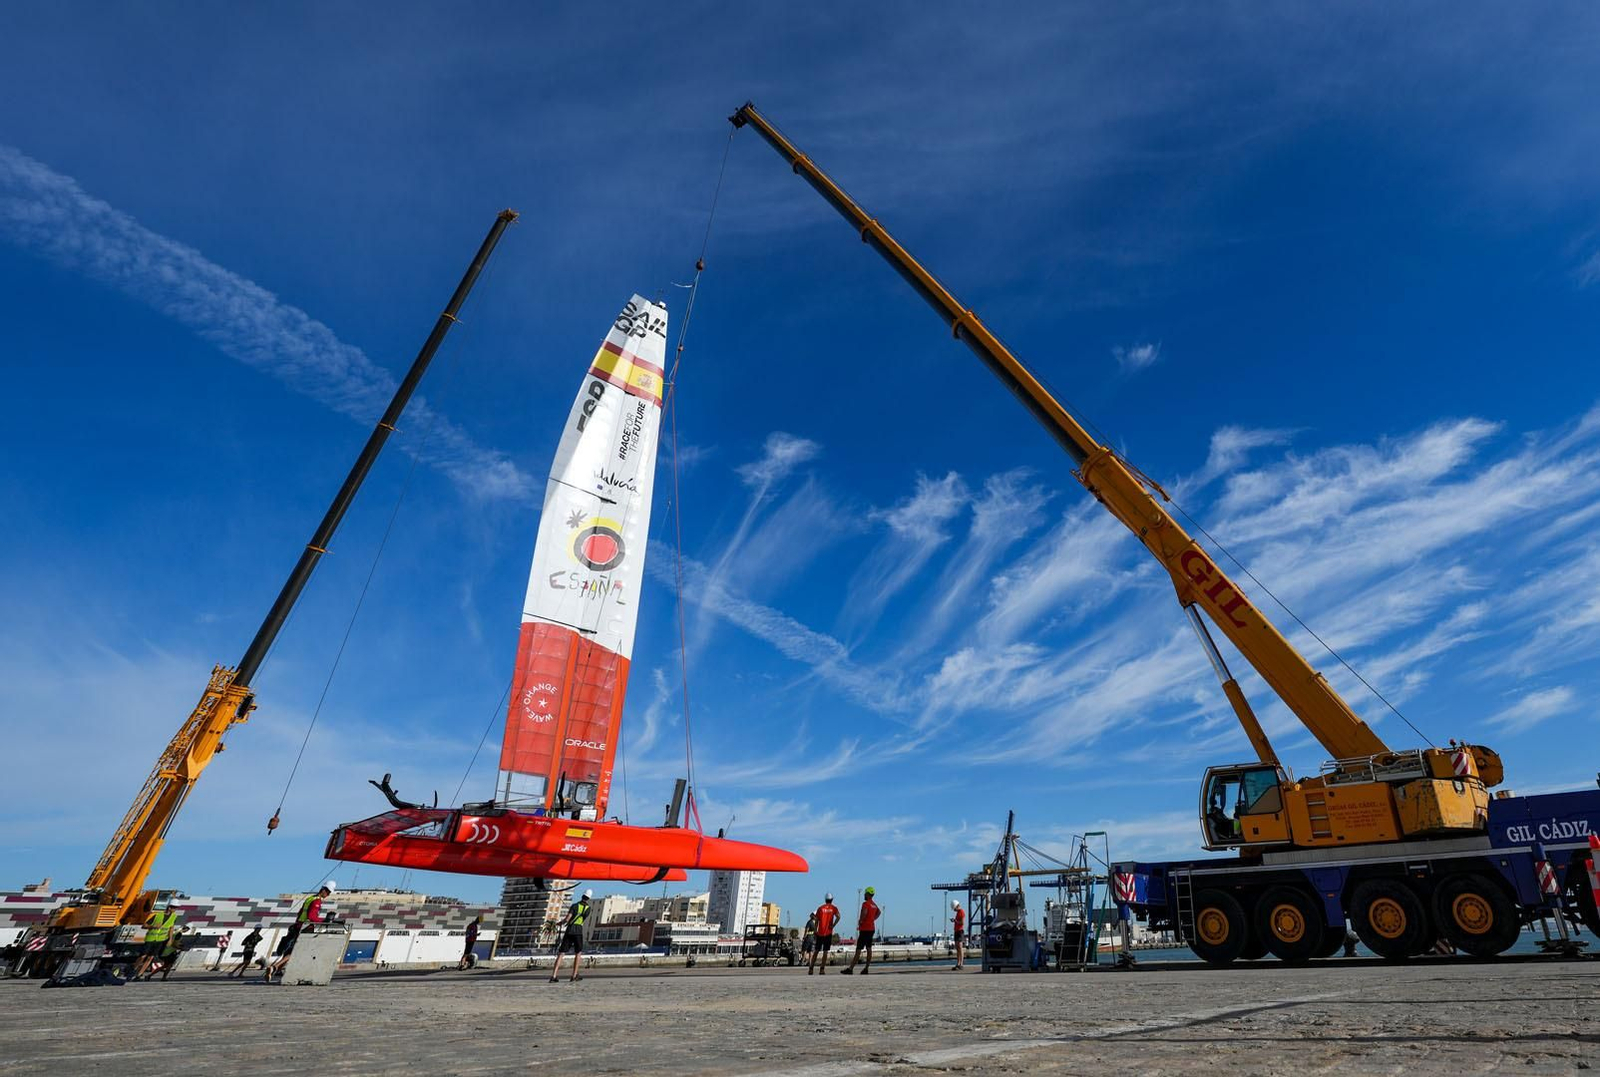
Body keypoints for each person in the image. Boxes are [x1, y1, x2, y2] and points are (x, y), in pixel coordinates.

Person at [266, 881, 335, 983]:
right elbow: (311, 917)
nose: (328, 895)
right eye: (328, 892)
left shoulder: (310, 898)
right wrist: (324, 920)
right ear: (323, 890)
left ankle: (276, 969)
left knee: (291, 950)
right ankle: (275, 967)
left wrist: (297, 924)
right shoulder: (317, 901)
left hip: (298, 926)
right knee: (296, 951)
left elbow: (300, 913)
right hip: (306, 929)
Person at [549, 889, 592, 983]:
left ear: (582, 896)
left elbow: (567, 919)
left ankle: (554, 975)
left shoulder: (574, 906)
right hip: (578, 931)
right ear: (589, 898)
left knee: (561, 953)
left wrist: (560, 923)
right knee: (578, 953)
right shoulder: (588, 909)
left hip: (569, 930)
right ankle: (574, 975)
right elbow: (582, 918)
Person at [840, 887, 881, 975]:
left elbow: (864, 913)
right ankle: (866, 968)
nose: (864, 895)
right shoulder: (874, 904)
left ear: (868, 894)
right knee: (869, 948)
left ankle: (850, 969)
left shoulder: (865, 904)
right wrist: (873, 919)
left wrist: (861, 921)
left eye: (865, 893)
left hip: (865, 929)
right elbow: (879, 912)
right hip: (871, 929)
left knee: (858, 949)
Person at [133, 905, 179, 980]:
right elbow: (144, 925)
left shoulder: (174, 917)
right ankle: (133, 969)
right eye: (174, 908)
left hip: (160, 940)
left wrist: (170, 939)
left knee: (151, 957)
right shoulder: (158, 915)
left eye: (176, 908)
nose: (176, 909)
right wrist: (153, 927)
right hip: (150, 939)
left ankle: (139, 974)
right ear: (169, 908)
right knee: (143, 956)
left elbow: (171, 928)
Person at [808, 893, 840, 975]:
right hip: (828, 933)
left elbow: (817, 920)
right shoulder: (834, 908)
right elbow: (839, 916)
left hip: (820, 933)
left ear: (825, 899)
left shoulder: (820, 908)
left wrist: (815, 930)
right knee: (825, 952)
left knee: (816, 951)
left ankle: (811, 968)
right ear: (832, 899)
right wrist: (833, 925)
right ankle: (822, 969)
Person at [951, 900, 966, 970]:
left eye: (954, 908)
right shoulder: (958, 913)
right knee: (957, 948)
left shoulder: (962, 912)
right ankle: (958, 963)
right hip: (956, 931)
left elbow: (962, 923)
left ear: (957, 906)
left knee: (960, 947)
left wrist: (955, 921)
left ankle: (961, 963)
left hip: (960, 931)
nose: (954, 910)